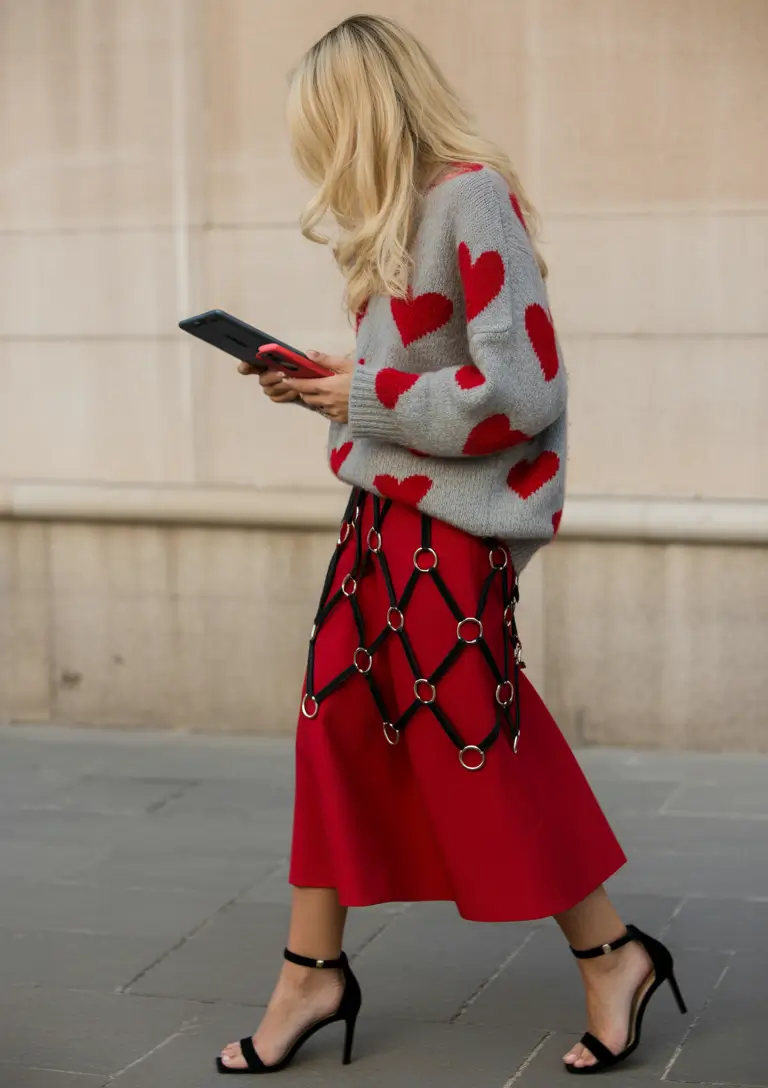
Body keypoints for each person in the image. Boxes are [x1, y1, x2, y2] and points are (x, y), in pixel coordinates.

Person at [217, 14, 686, 1078]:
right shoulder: (402, 219)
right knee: (332, 725)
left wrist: (364, 391)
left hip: (450, 533)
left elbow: (522, 391)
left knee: (474, 741)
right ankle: (311, 968)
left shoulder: (471, 196)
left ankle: (614, 954)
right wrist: (328, 386)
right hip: (379, 520)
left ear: (361, 115)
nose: (316, 157)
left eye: (322, 129)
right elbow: (409, 390)